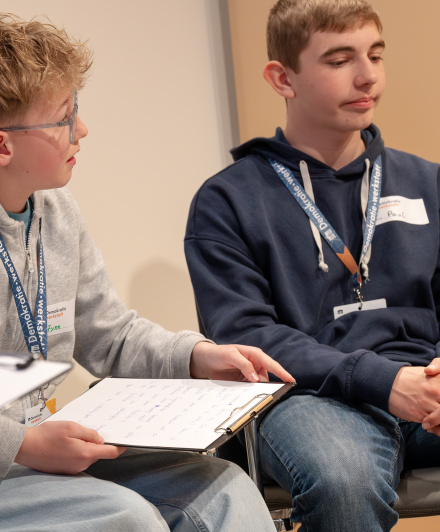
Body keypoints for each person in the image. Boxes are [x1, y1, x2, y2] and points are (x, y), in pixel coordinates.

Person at [0, 13, 293, 532]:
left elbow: (109, 334)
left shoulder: (56, 211)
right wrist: (17, 443)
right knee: (124, 518)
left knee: (224, 490)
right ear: (2, 147)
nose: (80, 130)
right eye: (64, 119)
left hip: (35, 448)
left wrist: (194, 356)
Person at [184, 0, 440, 530]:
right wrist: (383, 380)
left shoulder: (428, 182)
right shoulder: (228, 200)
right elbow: (247, 337)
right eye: (340, 60)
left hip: (426, 378)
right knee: (343, 481)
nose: (367, 76)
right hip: (309, 395)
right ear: (283, 78)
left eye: (375, 55)